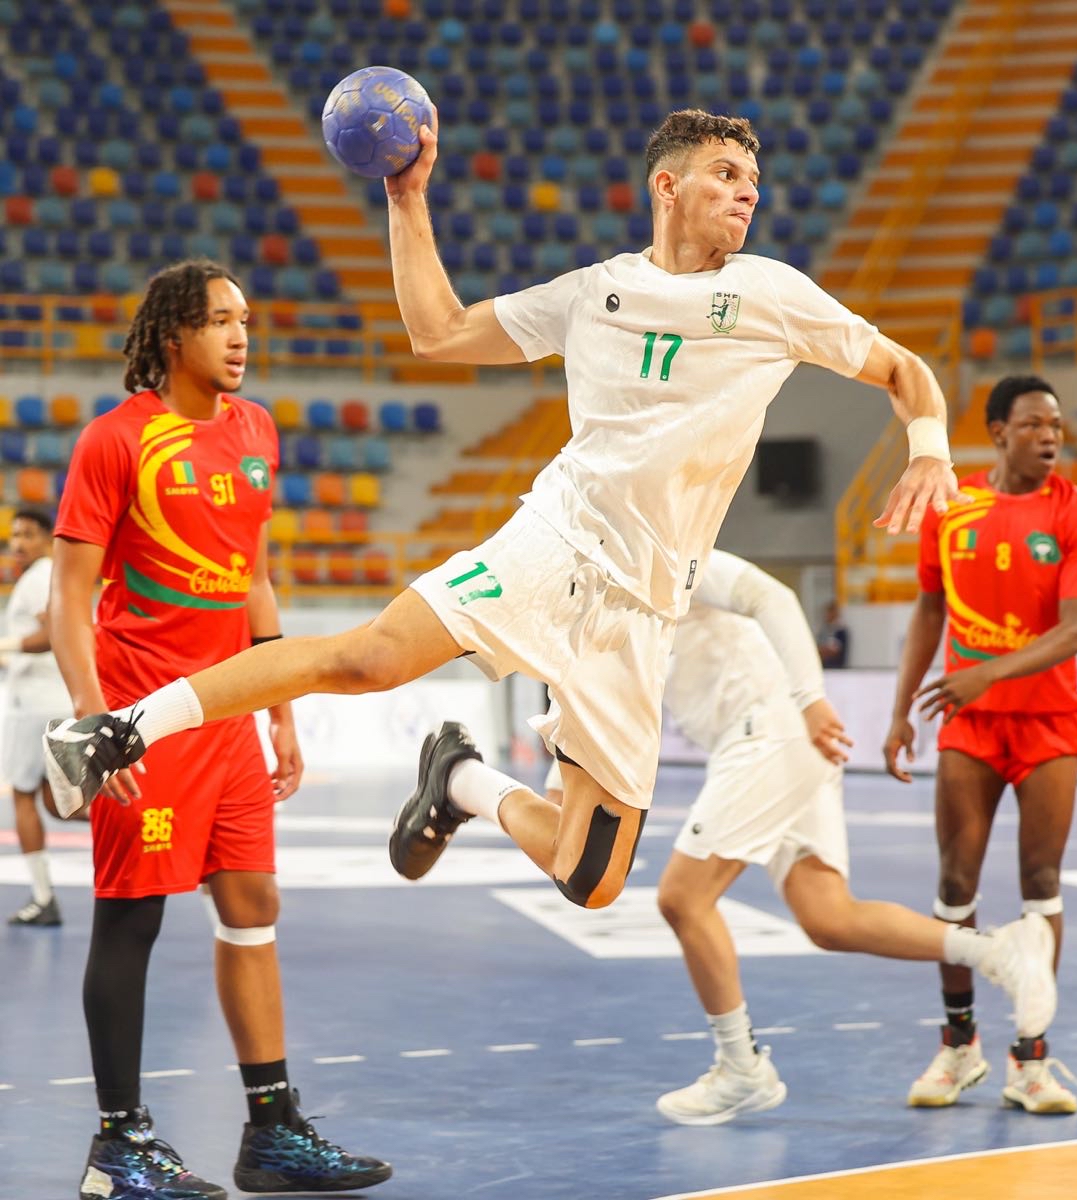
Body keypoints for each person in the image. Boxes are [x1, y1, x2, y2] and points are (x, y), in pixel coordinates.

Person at [46, 109, 962, 922]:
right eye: (726, 175)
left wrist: (929, 447)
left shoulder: (772, 294)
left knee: (591, 879)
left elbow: (903, 369)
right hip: (556, 542)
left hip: (646, 608)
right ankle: (121, 729)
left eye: (753, 181)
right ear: (667, 186)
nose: (747, 193)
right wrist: (408, 198)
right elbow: (438, 332)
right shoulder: (593, 293)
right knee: (369, 659)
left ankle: (461, 780)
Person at [47, 261, 390, 1200]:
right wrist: (97, 722)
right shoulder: (115, 441)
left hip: (230, 718)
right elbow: (68, 599)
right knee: (131, 919)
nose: (241, 337)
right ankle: (118, 1148)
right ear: (174, 336)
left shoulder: (256, 431)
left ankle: (271, 1132)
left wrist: (281, 707)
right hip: (143, 720)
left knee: (252, 904)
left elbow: (253, 578)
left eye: (247, 320)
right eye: (221, 321)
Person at [543, 550, 1056, 1125]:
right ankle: (999, 951)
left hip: (772, 729)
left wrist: (809, 699)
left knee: (683, 898)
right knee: (829, 918)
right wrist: (537, 800)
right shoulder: (579, 627)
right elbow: (584, 736)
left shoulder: (653, 550)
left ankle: (741, 1067)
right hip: (771, 742)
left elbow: (771, 596)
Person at [883, 374, 1077, 1116]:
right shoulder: (952, 509)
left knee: (1041, 880)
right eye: (1035, 424)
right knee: (955, 883)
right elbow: (929, 609)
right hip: (969, 726)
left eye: (1057, 427)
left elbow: (1076, 630)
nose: (1050, 437)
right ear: (999, 431)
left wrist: (985, 673)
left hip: (1048, 723)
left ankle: (1031, 1061)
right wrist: (899, 713)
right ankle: (959, 1046)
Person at [3, 508, 72, 926]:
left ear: (48, 540)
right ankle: (152, 823)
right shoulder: (47, 576)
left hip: (35, 707)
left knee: (24, 795)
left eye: (28, 534)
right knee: (59, 802)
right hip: (52, 701)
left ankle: (43, 898)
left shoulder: (39, 577)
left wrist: (6, 645)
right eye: (14, 535)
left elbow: (53, 634)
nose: (17, 543)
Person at [816, 599, 849, 668]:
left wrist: (820, 650)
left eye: (828, 612)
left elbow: (833, 651)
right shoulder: (824, 630)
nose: (826, 615)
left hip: (835, 668)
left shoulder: (840, 630)